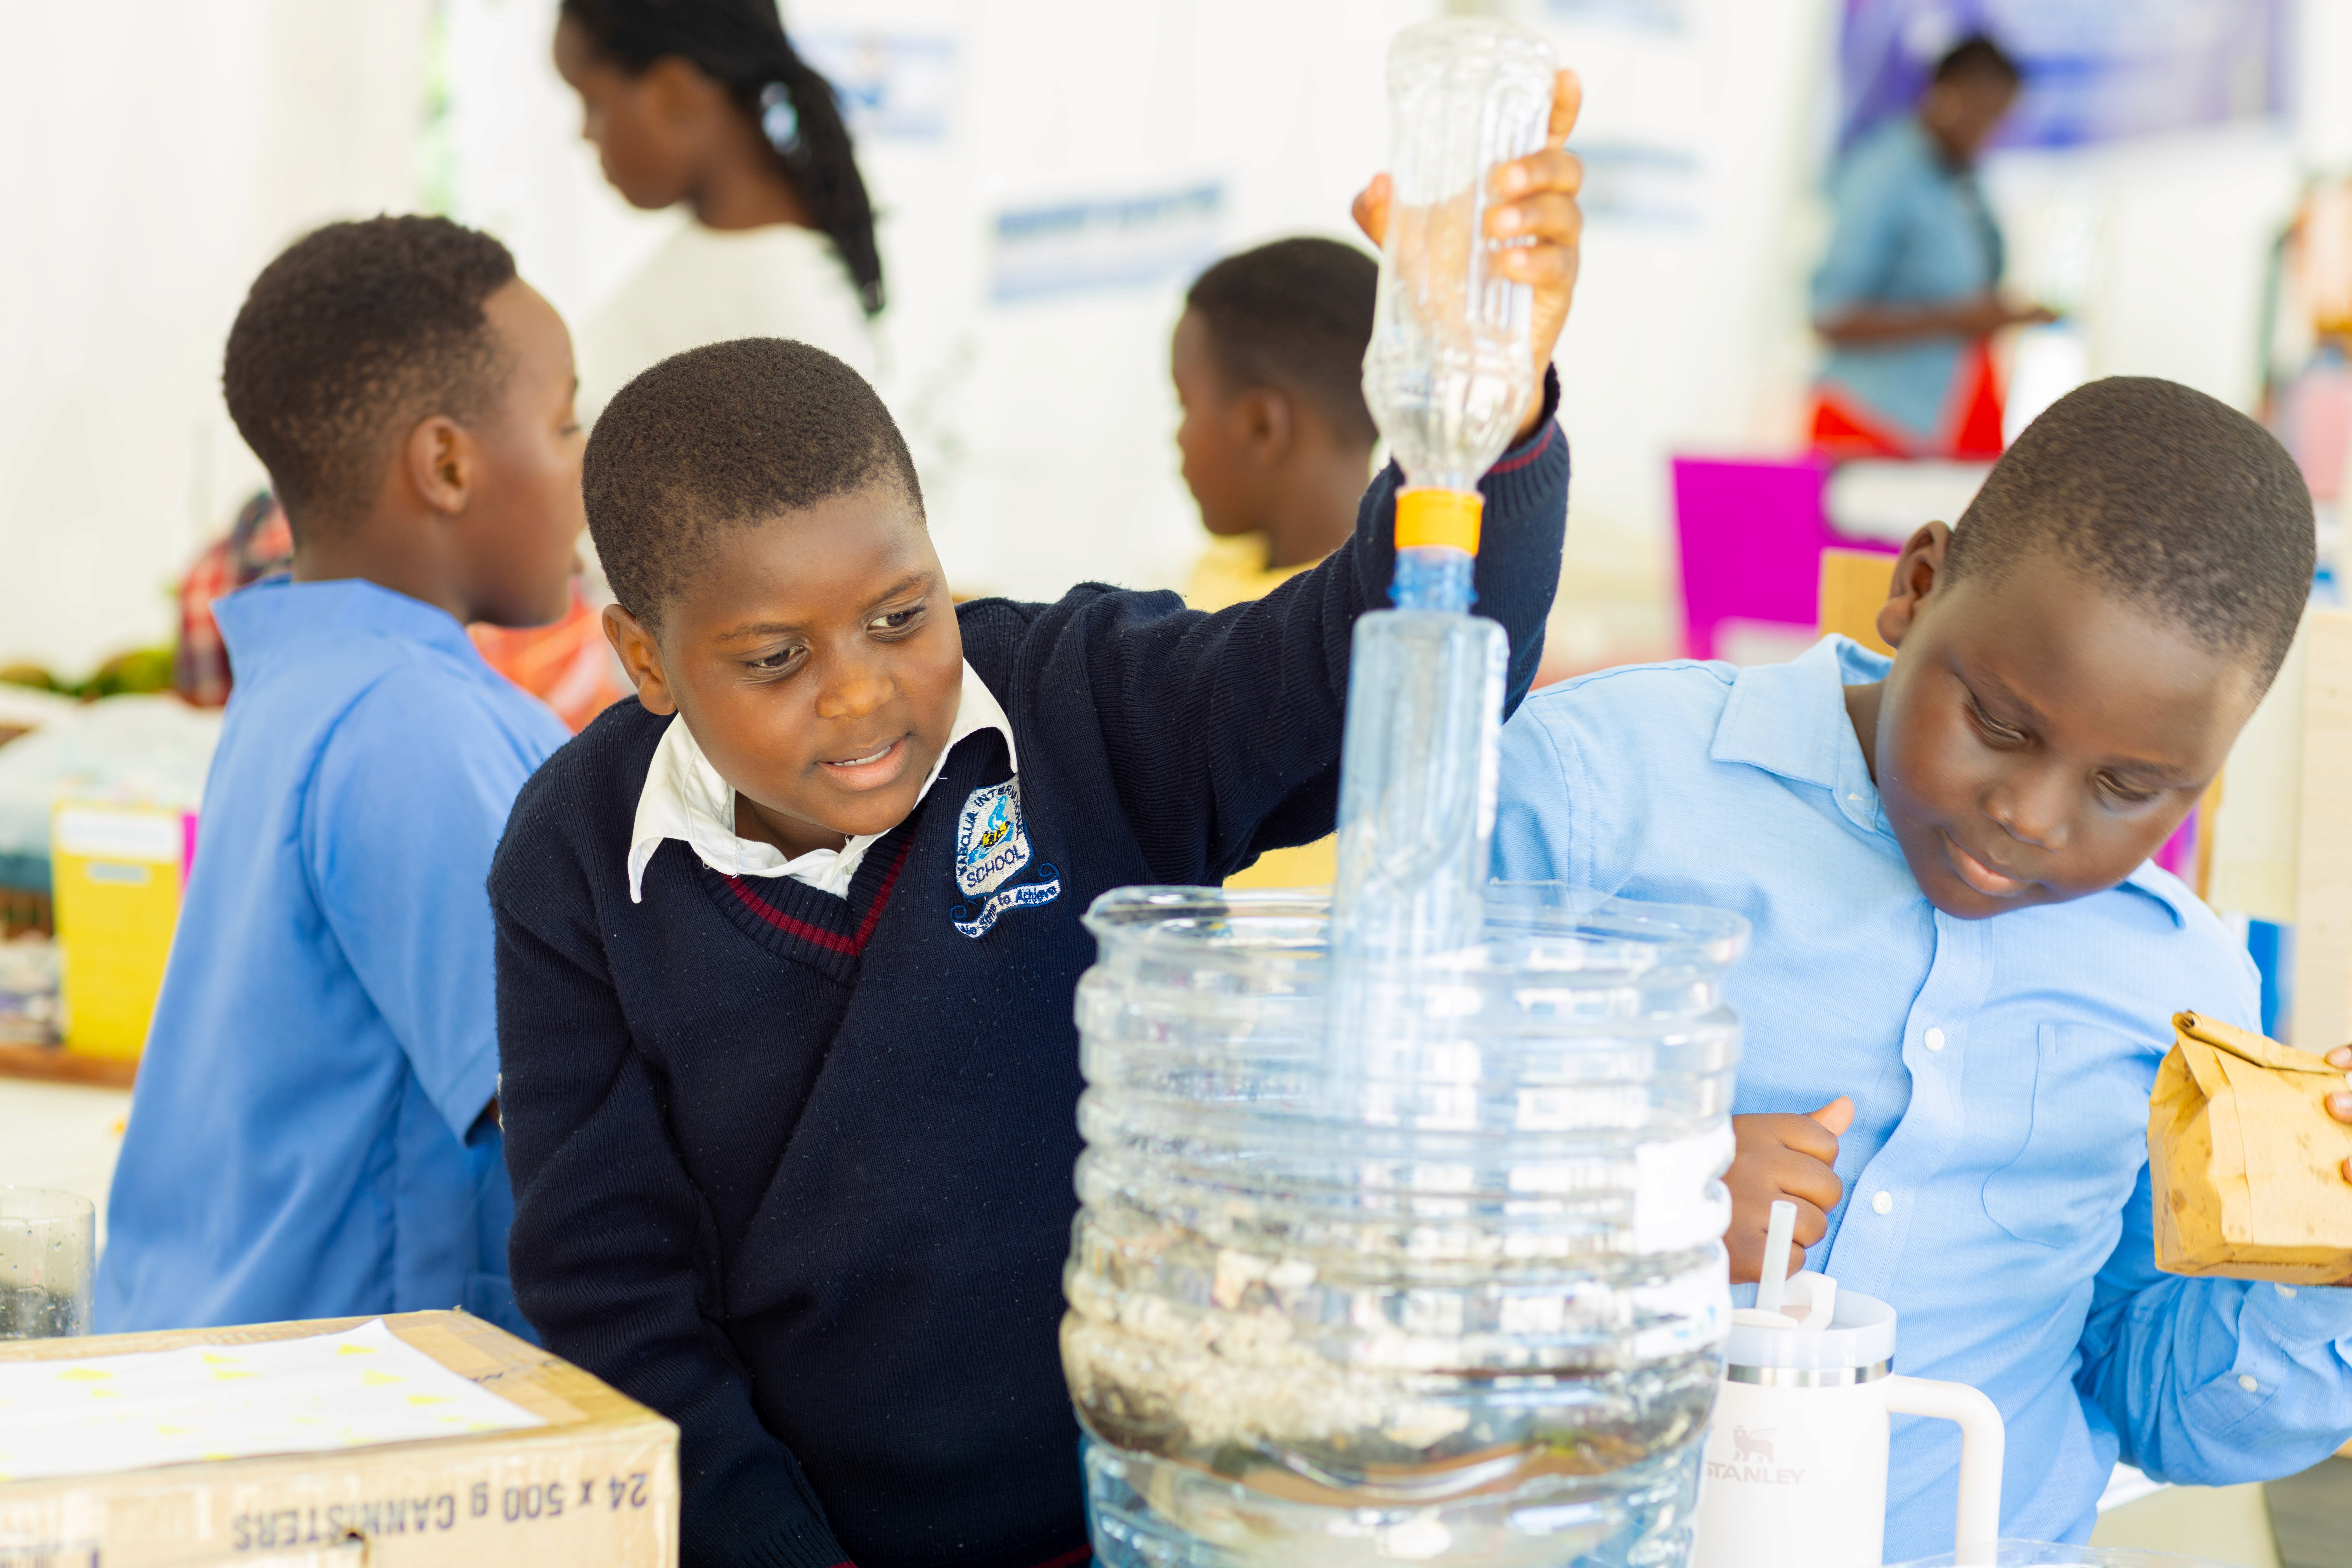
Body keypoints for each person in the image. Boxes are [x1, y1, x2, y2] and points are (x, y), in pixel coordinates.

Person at [491, 75, 1585, 1568]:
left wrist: (1481, 419)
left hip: (1145, 1522)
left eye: (901, 613)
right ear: (643, 660)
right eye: (774, 658)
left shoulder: (1081, 703)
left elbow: (1384, 659)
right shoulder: (573, 859)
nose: (863, 693)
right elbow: (614, 1293)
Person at [1491, 376, 2352, 1554]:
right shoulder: (1596, 792)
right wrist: (1626, 1198)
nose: (2031, 815)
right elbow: (1336, 1185)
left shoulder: (2187, 990)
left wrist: (2327, 1279)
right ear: (1918, 585)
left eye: (2127, 788)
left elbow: (2151, 1400)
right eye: (1999, 724)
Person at [95, 217, 582, 1336]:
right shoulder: (410, 721)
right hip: (345, 1386)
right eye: (565, 423)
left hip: (215, 1338)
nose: (585, 464)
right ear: (447, 464)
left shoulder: (313, 672)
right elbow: (563, 1104)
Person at [554, 0, 881, 420]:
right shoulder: (727, 251)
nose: (583, 134)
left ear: (675, 94)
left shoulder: (782, 310)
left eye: (593, 104)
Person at [1172, 235, 1381, 887]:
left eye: (1184, 406)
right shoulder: (1222, 570)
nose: (1176, 436)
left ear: (1262, 427)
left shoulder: (1375, 635)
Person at [1811, 33, 2054, 457]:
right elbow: (1831, 318)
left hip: (1946, 415)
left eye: (2001, 118)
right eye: (1986, 112)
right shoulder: (1883, 174)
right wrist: (1959, 320)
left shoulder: (1961, 179)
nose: (1991, 131)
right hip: (1873, 421)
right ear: (1948, 95)